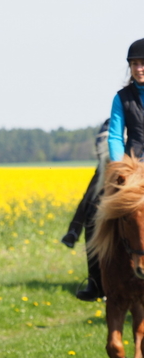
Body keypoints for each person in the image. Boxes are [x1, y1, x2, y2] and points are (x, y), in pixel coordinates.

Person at [61, 119, 109, 301]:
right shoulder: (114, 118)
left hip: (135, 163)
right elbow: (102, 142)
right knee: (90, 200)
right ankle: (94, 282)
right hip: (109, 164)